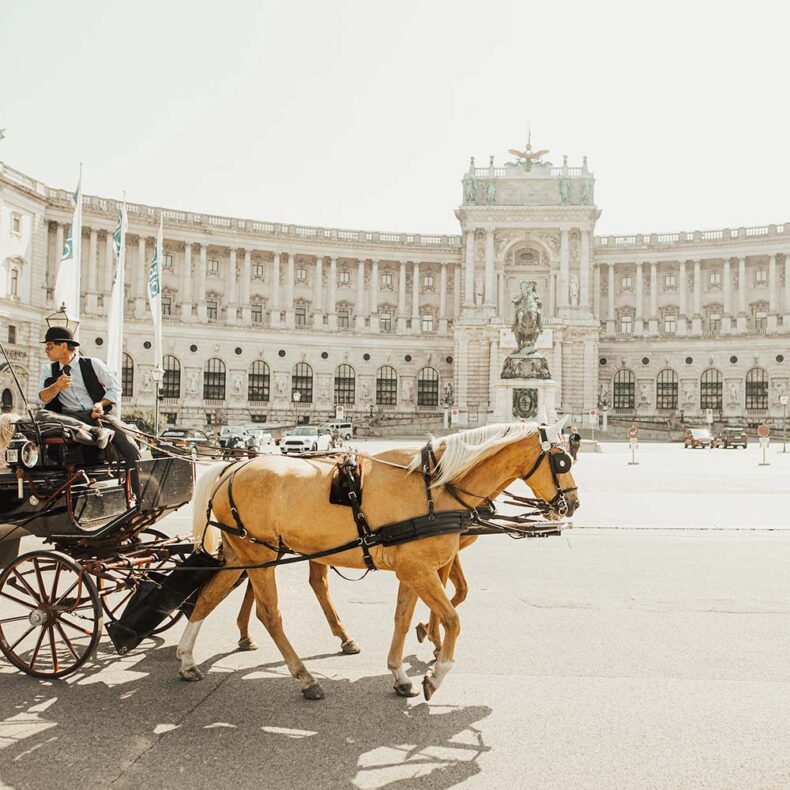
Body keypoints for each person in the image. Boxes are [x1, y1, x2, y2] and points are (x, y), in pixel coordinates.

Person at [37, 326, 142, 496]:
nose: (46, 350)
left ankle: (140, 496)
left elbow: (115, 389)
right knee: (40, 415)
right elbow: (41, 398)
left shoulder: (93, 364)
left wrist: (100, 404)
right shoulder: (48, 370)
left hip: (96, 415)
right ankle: (96, 432)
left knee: (129, 445)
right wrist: (57, 386)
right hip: (69, 419)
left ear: (63, 346)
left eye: (49, 346)